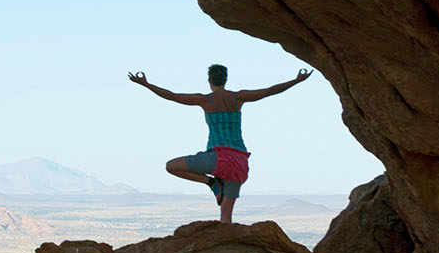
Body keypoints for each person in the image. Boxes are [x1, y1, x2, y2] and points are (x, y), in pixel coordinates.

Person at [127, 63, 314, 222]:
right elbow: (268, 91)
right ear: (226, 79)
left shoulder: (204, 100)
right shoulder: (238, 97)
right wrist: (296, 80)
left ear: (209, 80)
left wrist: (145, 84)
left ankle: (210, 182)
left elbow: (172, 96)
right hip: (239, 163)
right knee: (226, 217)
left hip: (217, 159)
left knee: (171, 166)